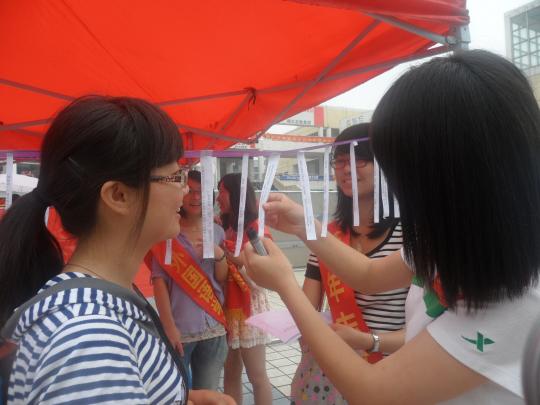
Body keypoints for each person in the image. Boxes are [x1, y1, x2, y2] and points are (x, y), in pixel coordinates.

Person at [243, 50, 540, 404]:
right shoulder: (455, 239)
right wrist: (305, 226)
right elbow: (369, 275)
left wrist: (283, 285)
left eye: (400, 169)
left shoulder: (521, 299)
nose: (398, 186)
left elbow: (372, 391)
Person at [0, 96, 233, 404]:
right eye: (175, 176)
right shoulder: (89, 340)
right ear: (119, 195)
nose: (184, 189)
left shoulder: (98, 308)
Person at [291, 124, 406, 404]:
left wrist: (369, 341)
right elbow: (308, 305)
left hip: (394, 371)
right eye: (339, 161)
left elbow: (428, 328)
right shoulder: (326, 235)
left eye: (358, 159)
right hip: (334, 373)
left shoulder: (411, 236)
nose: (345, 169)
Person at [149, 170, 229, 391]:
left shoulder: (217, 232)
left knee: (208, 394)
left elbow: (222, 278)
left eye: (201, 192)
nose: (195, 197)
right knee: (178, 394)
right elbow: (159, 282)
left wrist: (219, 255)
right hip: (180, 331)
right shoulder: (167, 233)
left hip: (214, 328)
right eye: (190, 191)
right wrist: (168, 327)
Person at [217, 173, 272, 405]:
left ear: (237, 194)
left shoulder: (256, 227)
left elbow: (265, 278)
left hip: (250, 308)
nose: (217, 197)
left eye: (222, 191)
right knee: (230, 374)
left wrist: (233, 256)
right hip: (226, 307)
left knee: (257, 375)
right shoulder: (221, 226)